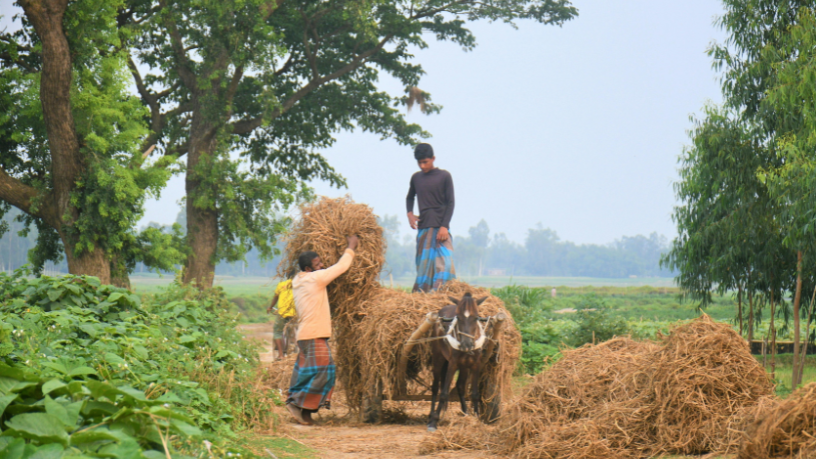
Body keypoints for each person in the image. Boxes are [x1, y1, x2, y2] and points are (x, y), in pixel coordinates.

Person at [286, 235, 358, 426]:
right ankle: (296, 404)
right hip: (313, 334)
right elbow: (341, 267)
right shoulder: (314, 279)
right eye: (318, 264)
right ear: (308, 269)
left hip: (306, 336)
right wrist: (351, 247)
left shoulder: (299, 280)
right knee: (322, 372)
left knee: (315, 372)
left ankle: (306, 411)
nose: (322, 265)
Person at [406, 143, 456, 292]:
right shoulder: (416, 178)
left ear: (433, 159)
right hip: (424, 228)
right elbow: (409, 197)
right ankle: (423, 294)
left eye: (425, 162)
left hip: (441, 227)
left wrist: (444, 226)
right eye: (419, 162)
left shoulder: (444, 176)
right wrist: (410, 213)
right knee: (423, 265)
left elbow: (451, 202)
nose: (422, 166)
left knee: (445, 263)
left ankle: (442, 294)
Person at [267, 270, 296, 361]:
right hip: (295, 314)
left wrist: (270, 307)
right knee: (297, 331)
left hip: (282, 313)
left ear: (287, 276)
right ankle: (296, 350)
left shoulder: (281, 285)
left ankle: (280, 355)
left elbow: (275, 297)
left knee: (277, 332)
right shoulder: (299, 285)